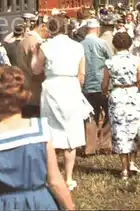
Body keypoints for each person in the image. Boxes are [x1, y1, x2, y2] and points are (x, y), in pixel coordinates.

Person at [0, 66, 75, 211]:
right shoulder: (39, 130)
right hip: (41, 203)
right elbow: (55, 181)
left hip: (3, 205)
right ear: (26, 97)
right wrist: (70, 207)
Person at [31, 15, 91, 190]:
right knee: (71, 132)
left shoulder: (46, 46)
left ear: (50, 29)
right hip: (71, 86)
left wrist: (35, 54)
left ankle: (52, 174)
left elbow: (35, 70)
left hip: (52, 87)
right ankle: (69, 177)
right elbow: (82, 76)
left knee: (50, 131)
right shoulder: (77, 47)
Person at [102, 32, 140, 180]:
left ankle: (124, 168)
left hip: (117, 95)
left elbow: (104, 84)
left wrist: (106, 93)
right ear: (130, 44)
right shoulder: (136, 61)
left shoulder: (110, 62)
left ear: (114, 45)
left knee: (120, 131)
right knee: (134, 129)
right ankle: (132, 162)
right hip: (133, 95)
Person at [81, 19, 113, 155]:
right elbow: (111, 61)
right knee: (109, 112)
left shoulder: (80, 45)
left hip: (87, 84)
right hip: (102, 83)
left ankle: (90, 147)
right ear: (98, 29)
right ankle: (105, 144)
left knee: (90, 116)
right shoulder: (102, 43)